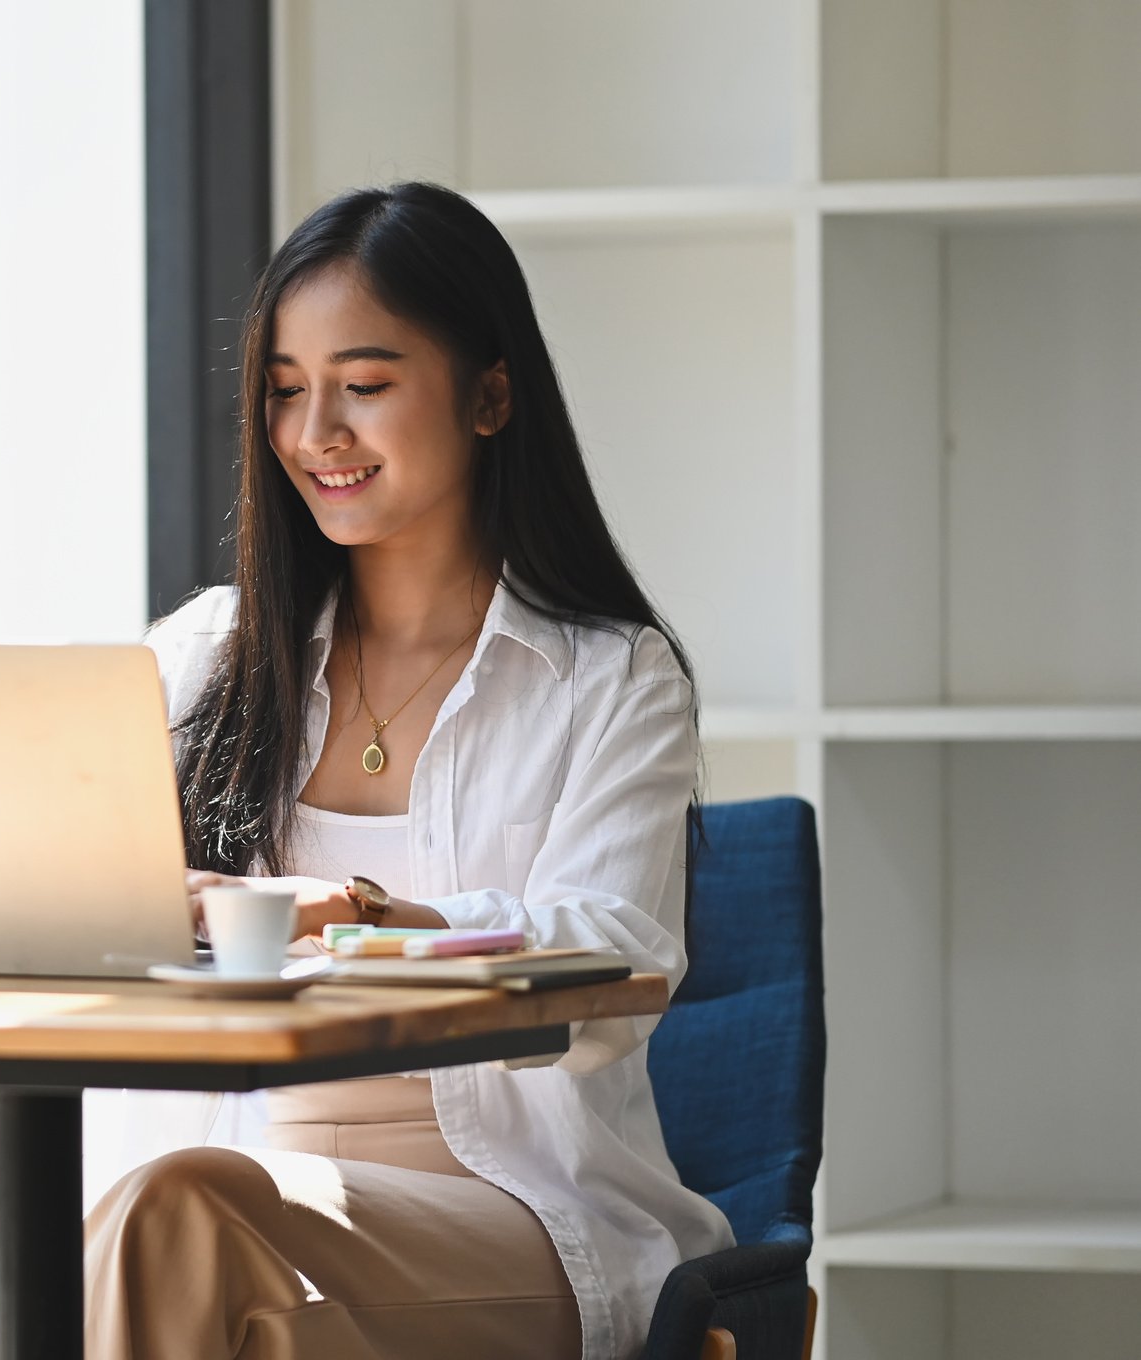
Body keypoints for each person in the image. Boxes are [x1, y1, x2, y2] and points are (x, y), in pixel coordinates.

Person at [85, 182, 733, 1360]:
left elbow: (614, 953)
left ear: (489, 394)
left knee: (177, 1213)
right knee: (170, 1216)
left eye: (364, 385)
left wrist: (356, 916)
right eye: (284, 390)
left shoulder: (610, 677)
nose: (313, 432)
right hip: (231, 1191)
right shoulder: (200, 661)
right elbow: (66, 902)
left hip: (517, 1215)